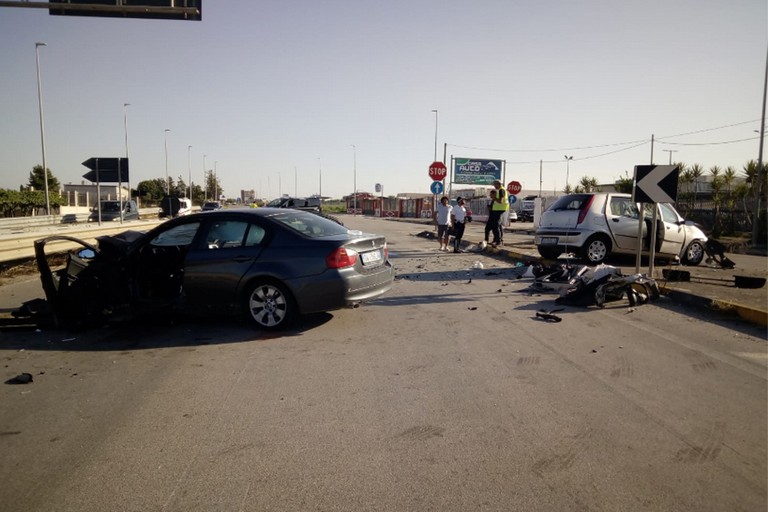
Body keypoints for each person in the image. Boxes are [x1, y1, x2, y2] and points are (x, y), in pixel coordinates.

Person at [484, 180, 508, 247]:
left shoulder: (501, 190)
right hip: (497, 209)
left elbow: (500, 201)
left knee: (495, 225)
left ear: (498, 184)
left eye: (495, 185)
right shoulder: (499, 190)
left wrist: (494, 198)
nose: (494, 186)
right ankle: (497, 240)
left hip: (499, 209)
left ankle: (498, 241)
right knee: (498, 225)